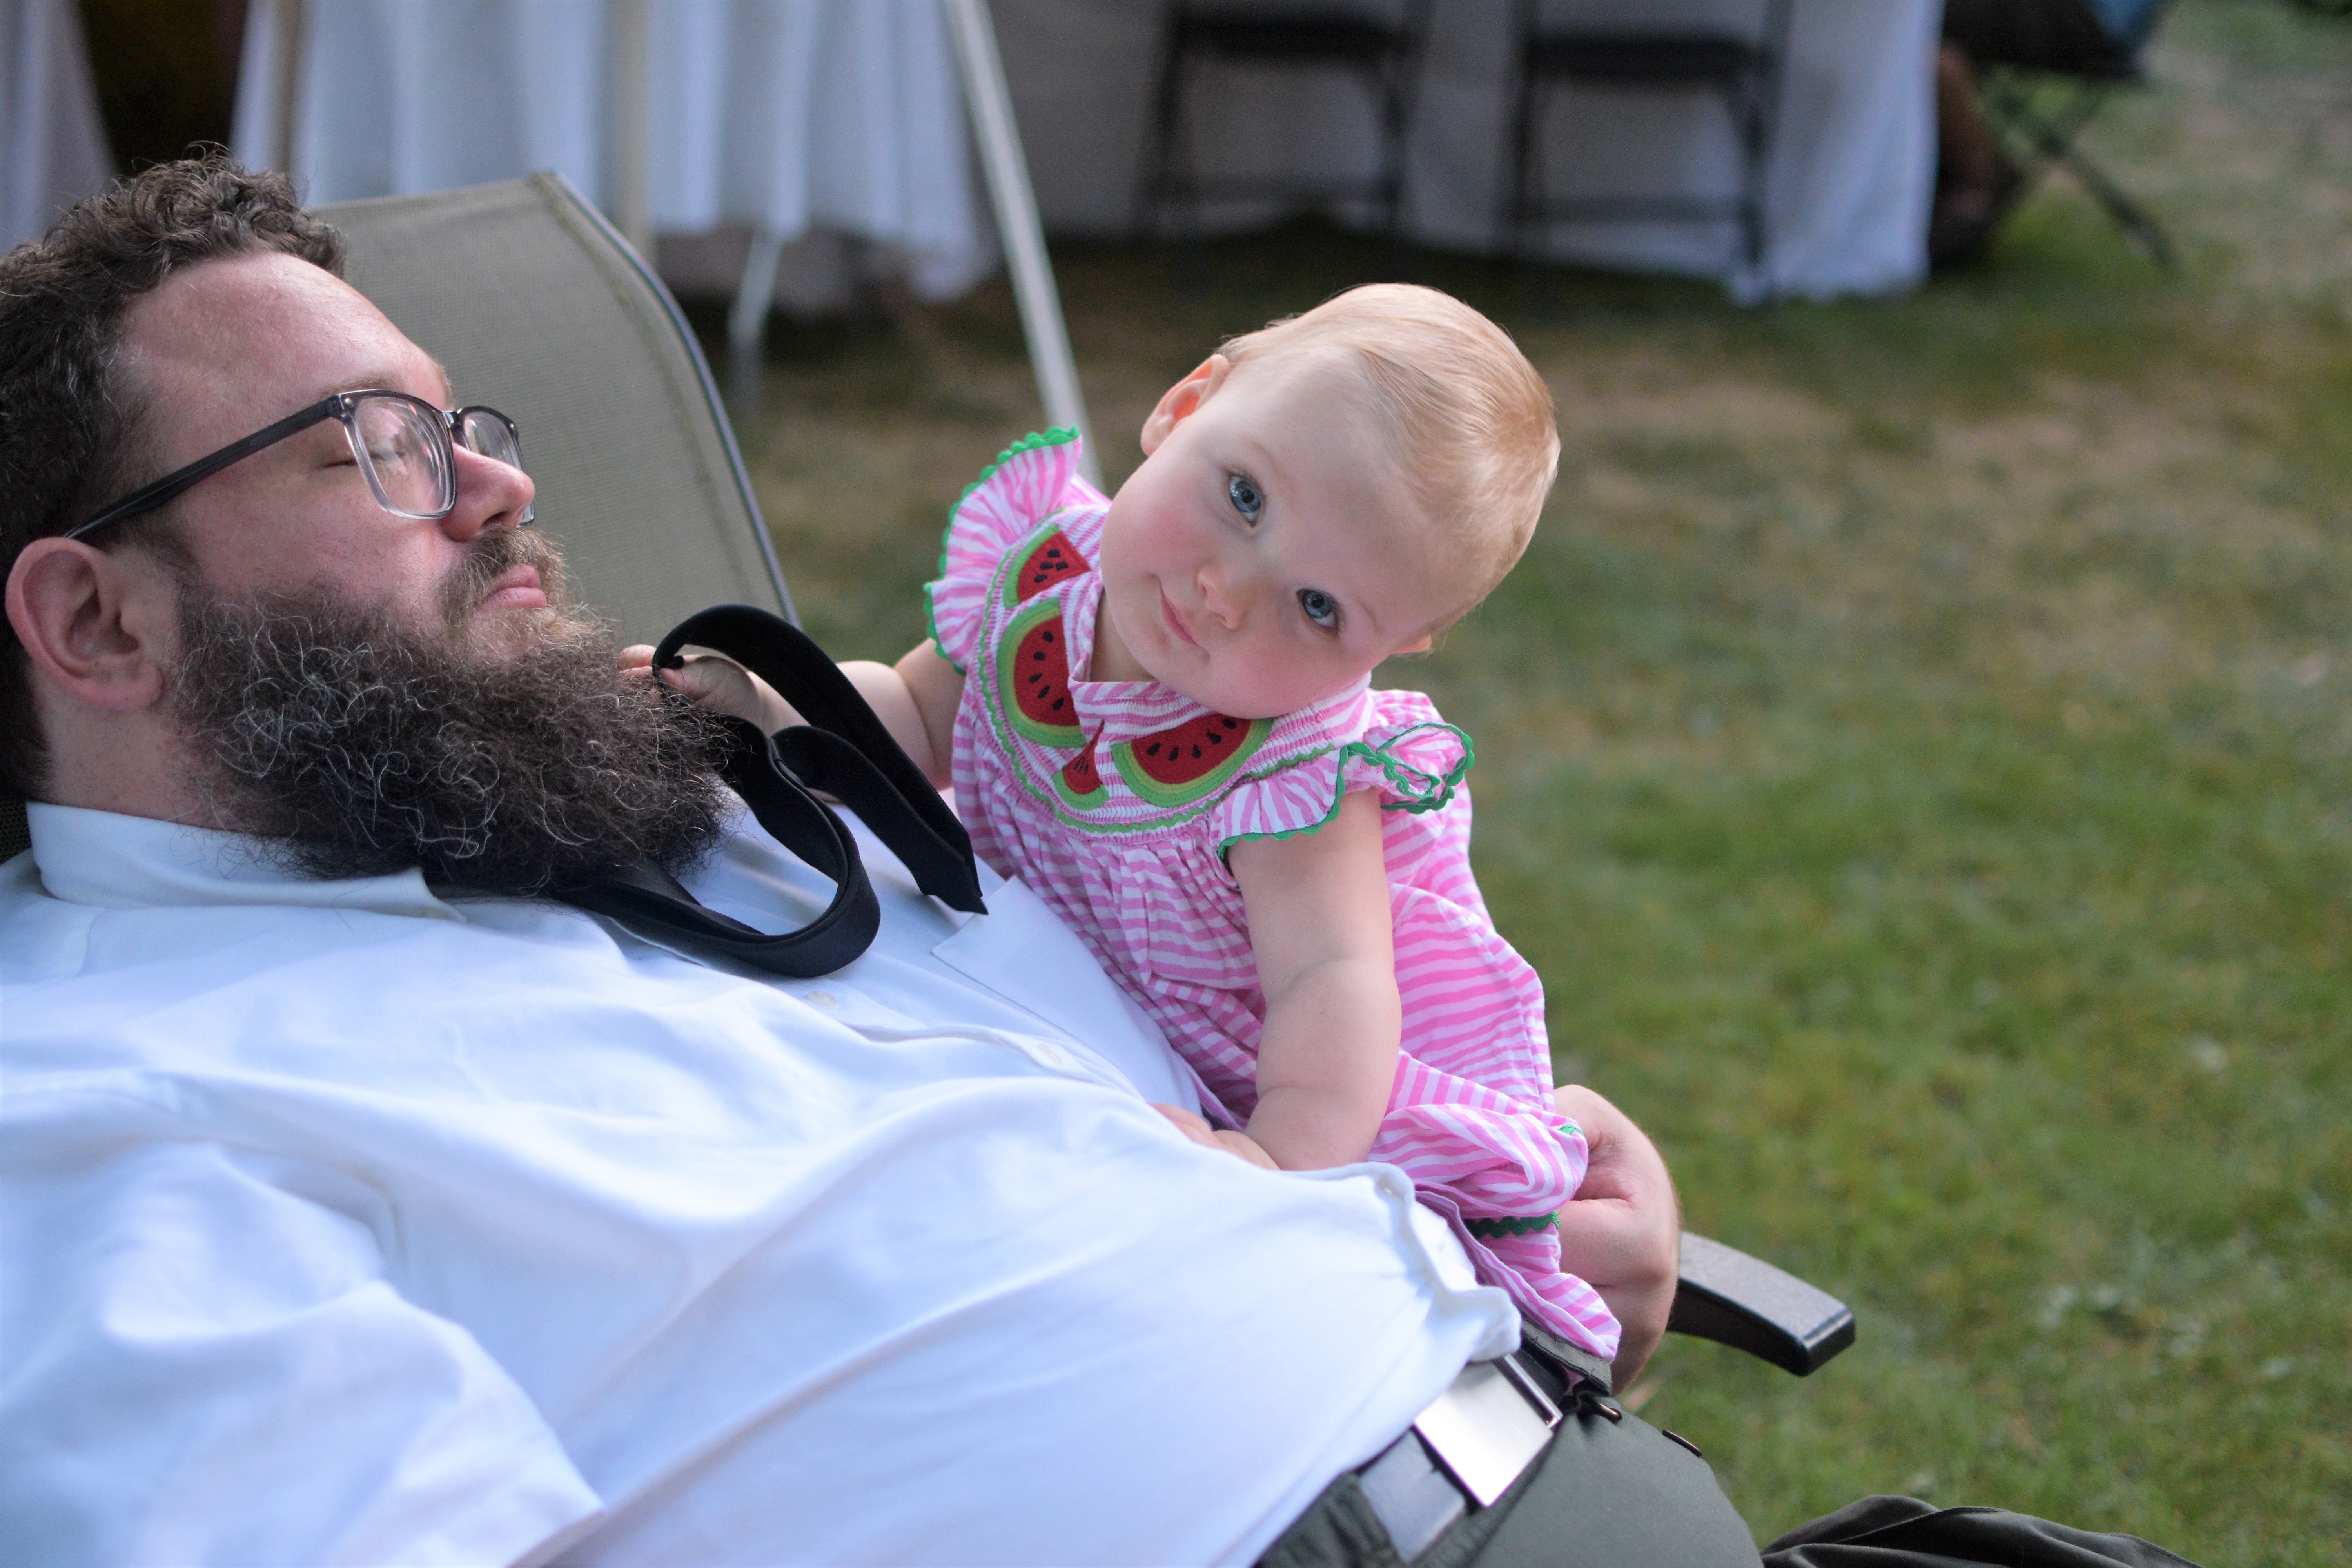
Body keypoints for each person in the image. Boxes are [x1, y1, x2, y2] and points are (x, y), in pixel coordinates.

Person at [0, 159, 2201, 1568]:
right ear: (96, 617)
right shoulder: (104, 1110)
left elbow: (1199, 1092)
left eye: (467, 421)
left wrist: (1531, 1259)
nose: (493, 489)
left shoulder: (679, 780)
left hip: (1574, 1475)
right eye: (373, 449)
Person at [651, 285, 1619, 1367]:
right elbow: (921, 717)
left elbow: (1332, 987)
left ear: (1397, 645)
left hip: (1253, 1084)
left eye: (1319, 608)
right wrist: (768, 712)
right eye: (1246, 496)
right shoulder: (1044, 576)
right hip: (1063, 1007)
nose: (1226, 590)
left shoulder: (1297, 775)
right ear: (1184, 406)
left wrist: (1273, 1161)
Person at [1931, 0, 2167, 265]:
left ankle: (1978, 176)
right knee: (1922, 40)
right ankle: (1962, 180)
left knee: (1927, 22)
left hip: (2096, 16)